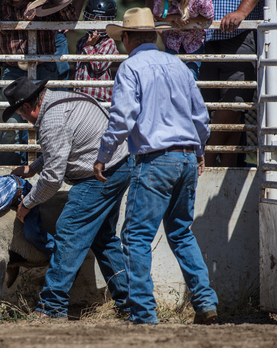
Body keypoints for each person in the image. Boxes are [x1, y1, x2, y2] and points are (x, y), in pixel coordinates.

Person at [94, 7, 218, 325]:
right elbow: (201, 116)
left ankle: (143, 314)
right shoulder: (177, 67)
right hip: (186, 155)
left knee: (135, 236)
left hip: (155, 160)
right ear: (154, 35)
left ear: (128, 38)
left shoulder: (130, 68)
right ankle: (205, 302)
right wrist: (199, 151)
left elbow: (122, 118)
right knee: (180, 232)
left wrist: (103, 155)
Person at [4, 76, 135, 319]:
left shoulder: (52, 120)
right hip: (120, 165)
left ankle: (51, 307)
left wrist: (27, 203)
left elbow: (53, 178)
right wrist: (33, 168)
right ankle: (130, 303)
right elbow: (62, 149)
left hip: (99, 175)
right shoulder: (61, 100)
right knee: (103, 237)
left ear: (27, 107)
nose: (22, 119)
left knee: (69, 231)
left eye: (21, 114)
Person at [0, 0, 85, 166]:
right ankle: (11, 171)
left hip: (43, 65)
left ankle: (45, 167)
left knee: (47, 119)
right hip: (14, 68)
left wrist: (56, 3)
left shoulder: (42, 2)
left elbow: (70, 18)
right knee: (12, 124)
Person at [199, 0, 263, 167]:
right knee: (207, 106)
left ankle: (207, 160)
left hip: (239, 30)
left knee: (235, 103)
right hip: (202, 34)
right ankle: (228, 168)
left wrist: (242, 11)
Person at [147, 0, 214, 80]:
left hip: (193, 42)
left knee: (191, 74)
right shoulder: (162, 1)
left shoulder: (199, 1)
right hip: (172, 40)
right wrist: (174, 18)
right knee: (173, 76)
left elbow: (209, 15)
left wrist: (187, 21)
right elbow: (157, 15)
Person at [74, 0, 119, 102]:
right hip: (80, 95)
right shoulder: (81, 41)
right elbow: (78, 68)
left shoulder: (109, 42)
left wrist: (89, 46)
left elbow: (98, 66)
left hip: (99, 97)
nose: (97, 26)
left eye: (102, 20)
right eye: (93, 19)